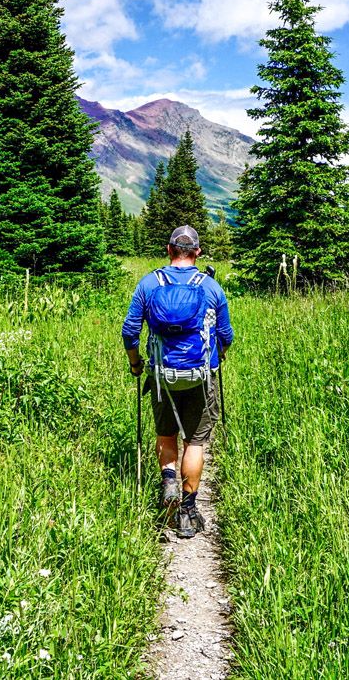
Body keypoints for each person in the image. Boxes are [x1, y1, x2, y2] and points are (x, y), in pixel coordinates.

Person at [122, 225, 234, 539]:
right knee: (195, 442)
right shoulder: (211, 287)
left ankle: (168, 478)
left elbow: (130, 332)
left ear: (169, 251)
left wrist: (136, 365)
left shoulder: (148, 283)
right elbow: (226, 336)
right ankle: (187, 511)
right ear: (197, 253)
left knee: (166, 434)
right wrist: (219, 355)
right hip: (199, 377)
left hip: (161, 377)